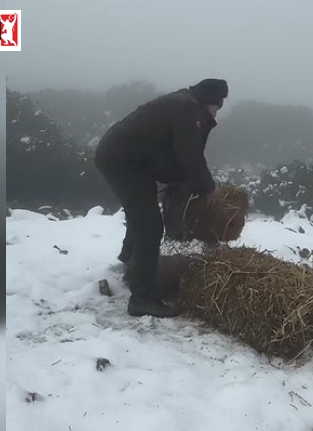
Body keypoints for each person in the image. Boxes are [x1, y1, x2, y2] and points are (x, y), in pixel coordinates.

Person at [95, 78, 228, 318]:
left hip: (127, 158)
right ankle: (142, 298)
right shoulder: (189, 110)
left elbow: (173, 152)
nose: (217, 113)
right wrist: (209, 188)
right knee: (150, 225)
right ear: (211, 102)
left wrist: (184, 183)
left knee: (142, 214)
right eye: (218, 107)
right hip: (123, 162)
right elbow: (190, 156)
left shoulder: (183, 102)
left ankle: (130, 260)